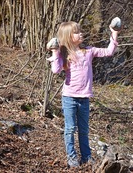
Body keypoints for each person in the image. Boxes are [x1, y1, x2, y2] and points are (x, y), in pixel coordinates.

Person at [47, 21, 119, 168]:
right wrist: (54, 52)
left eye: (80, 31)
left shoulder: (88, 51)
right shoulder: (64, 54)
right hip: (69, 98)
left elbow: (109, 51)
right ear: (67, 36)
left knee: (84, 129)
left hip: (84, 98)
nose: (81, 33)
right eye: (76, 32)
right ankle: (72, 157)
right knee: (70, 128)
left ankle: (86, 157)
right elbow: (55, 70)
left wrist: (114, 33)